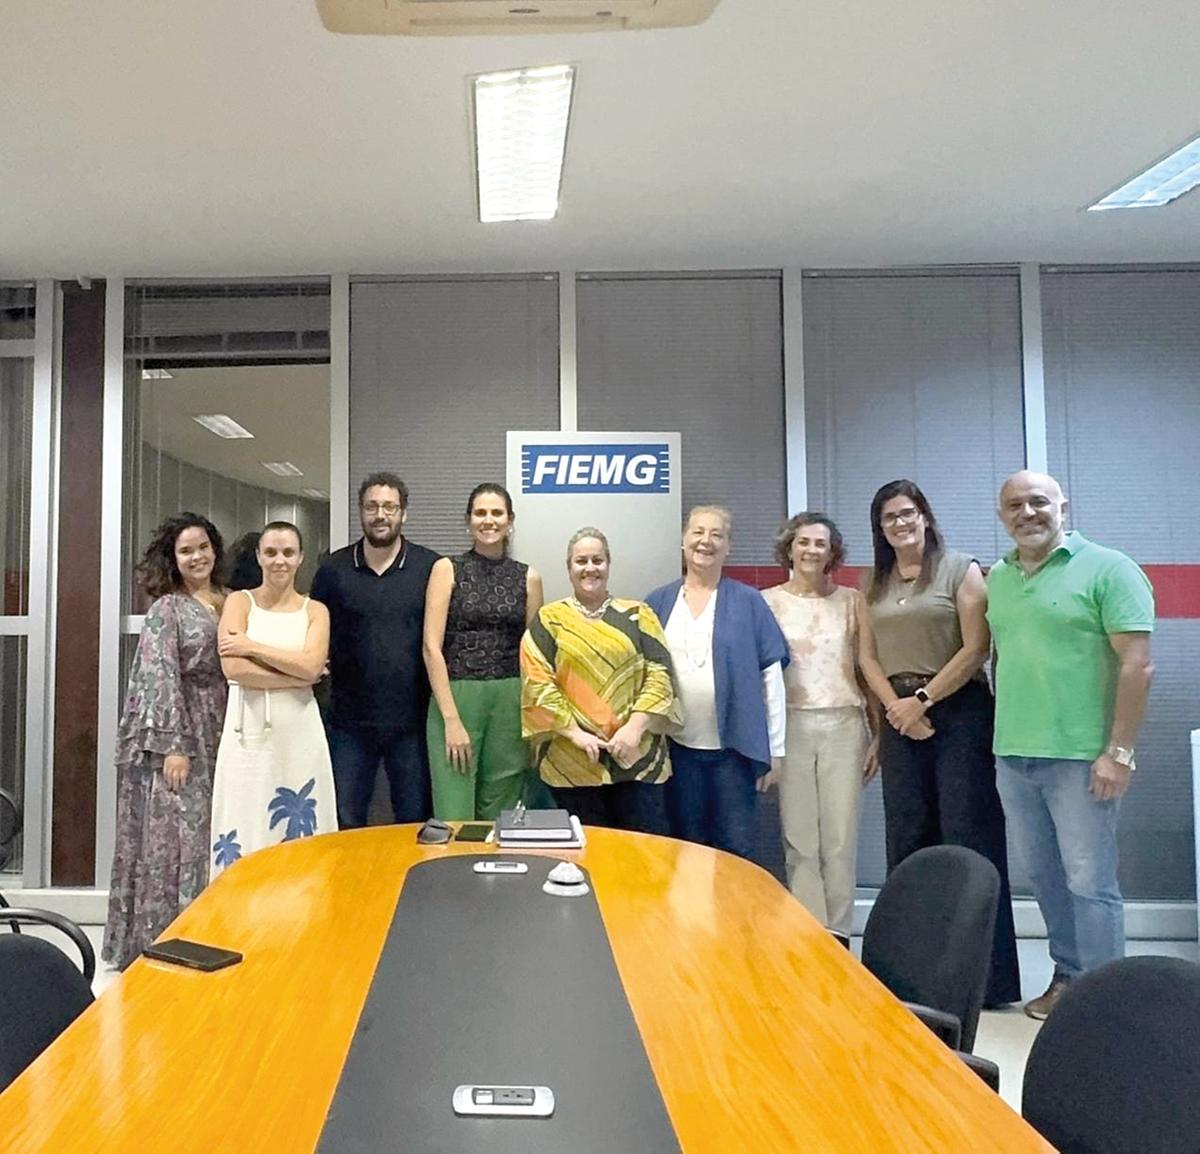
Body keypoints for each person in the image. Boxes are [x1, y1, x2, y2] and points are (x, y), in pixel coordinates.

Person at [989, 470, 1154, 1019]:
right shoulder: (1000, 577)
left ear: (1064, 507)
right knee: (1045, 879)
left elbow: (1138, 665)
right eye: (1015, 505)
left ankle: (1105, 1000)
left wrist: (1119, 752)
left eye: (1039, 502)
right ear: (1002, 516)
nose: (1027, 513)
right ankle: (1068, 979)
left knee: (1090, 882)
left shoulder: (1110, 568)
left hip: (1083, 757)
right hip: (1014, 754)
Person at [857, 479, 1021, 1005]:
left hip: (958, 712)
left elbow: (976, 648)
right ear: (880, 529)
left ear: (925, 516)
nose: (900, 524)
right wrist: (896, 711)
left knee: (968, 838)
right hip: (900, 718)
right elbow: (866, 658)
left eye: (908, 514)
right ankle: (908, 976)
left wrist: (922, 701)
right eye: (889, 519)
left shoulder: (961, 567)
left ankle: (985, 982)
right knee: (908, 842)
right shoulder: (873, 583)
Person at [102, 513, 228, 970]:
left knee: (218, 830)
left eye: (203, 547)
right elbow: (158, 677)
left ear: (216, 549)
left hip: (227, 730)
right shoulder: (168, 610)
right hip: (185, 729)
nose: (197, 557)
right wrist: (174, 744)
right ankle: (174, 934)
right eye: (186, 550)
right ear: (174, 560)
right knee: (182, 835)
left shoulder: (231, 601)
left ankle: (217, 926)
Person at [645, 505, 787, 860]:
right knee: (684, 849)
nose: (705, 541)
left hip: (733, 755)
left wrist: (776, 750)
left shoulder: (749, 602)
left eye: (716, 534)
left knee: (735, 851)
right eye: (697, 532)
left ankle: (731, 918)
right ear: (683, 540)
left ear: (728, 546)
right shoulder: (658, 602)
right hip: (676, 752)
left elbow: (771, 678)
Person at [520, 527, 679, 834]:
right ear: (569, 567)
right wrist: (575, 734)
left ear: (609, 564)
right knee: (584, 858)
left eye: (598, 560)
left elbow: (660, 672)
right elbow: (536, 681)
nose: (590, 568)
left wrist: (634, 728)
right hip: (571, 763)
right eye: (581, 561)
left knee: (645, 857)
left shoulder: (638, 614)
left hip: (638, 760)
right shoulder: (549, 620)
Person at [762, 513, 874, 940]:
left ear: (833, 553)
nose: (811, 550)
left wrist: (877, 735)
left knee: (841, 838)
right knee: (799, 838)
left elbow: (866, 669)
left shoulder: (851, 601)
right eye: (803, 542)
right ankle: (811, 934)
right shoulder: (767, 602)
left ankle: (840, 935)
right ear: (789, 548)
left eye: (820, 544)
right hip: (790, 725)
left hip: (844, 723)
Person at [310, 472, 440, 828]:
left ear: (404, 513)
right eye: (372, 506)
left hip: (412, 721)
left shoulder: (430, 568)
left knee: (415, 821)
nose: (380, 515)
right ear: (360, 512)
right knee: (344, 818)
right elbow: (314, 632)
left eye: (389, 507)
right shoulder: (332, 570)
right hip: (348, 721)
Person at [210, 522, 336, 875]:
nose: (279, 560)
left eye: (288, 553)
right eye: (271, 552)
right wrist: (297, 677)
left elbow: (312, 665)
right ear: (259, 557)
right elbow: (233, 669)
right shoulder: (239, 602)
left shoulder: (316, 611)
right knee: (245, 817)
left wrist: (252, 647)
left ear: (300, 559)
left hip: (300, 733)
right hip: (246, 734)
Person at [423, 484, 544, 820]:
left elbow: (533, 656)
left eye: (496, 513)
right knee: (454, 811)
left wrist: (535, 721)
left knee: (502, 813)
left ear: (510, 521)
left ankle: (499, 874)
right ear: (468, 521)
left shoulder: (529, 578)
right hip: (457, 698)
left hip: (510, 700)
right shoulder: (447, 569)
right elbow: (431, 647)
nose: (488, 520)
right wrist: (451, 719)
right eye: (480, 513)